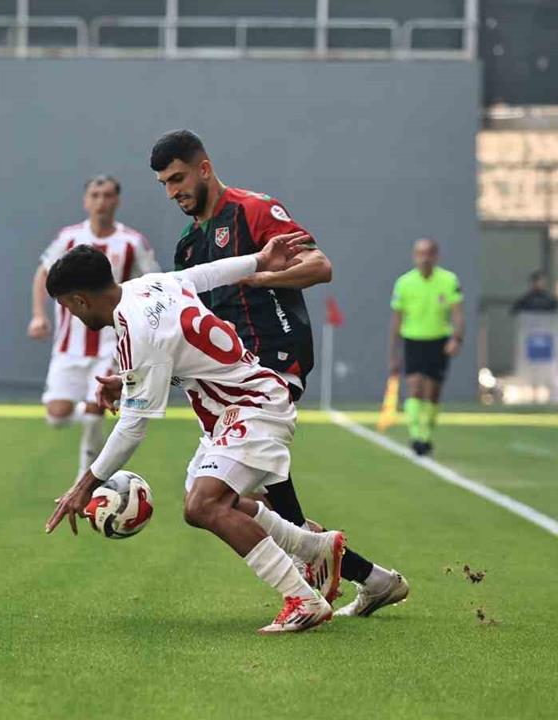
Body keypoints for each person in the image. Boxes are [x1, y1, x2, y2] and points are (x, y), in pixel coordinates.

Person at [44, 241, 406, 633]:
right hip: (234, 411)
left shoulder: (137, 331)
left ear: (79, 300)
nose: (70, 314)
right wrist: (258, 260)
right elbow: (204, 275)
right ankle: (315, 548)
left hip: (252, 407)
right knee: (207, 505)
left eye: (66, 306)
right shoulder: (149, 285)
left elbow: (133, 427)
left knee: (205, 504)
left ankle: (302, 599)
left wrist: (83, 486)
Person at [149, 129, 406, 618]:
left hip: (273, 361)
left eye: (177, 178)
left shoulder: (254, 210)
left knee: (213, 499)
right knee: (238, 500)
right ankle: (372, 578)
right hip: (227, 379)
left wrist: (264, 276)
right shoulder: (187, 246)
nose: (172, 192)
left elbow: (320, 266)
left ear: (204, 168)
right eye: (164, 184)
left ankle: (309, 593)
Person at [27, 175, 158, 480]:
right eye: (95, 195)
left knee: (94, 411)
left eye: (108, 195)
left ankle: (84, 479)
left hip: (111, 343)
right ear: (86, 201)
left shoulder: (132, 242)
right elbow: (43, 273)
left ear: (117, 200)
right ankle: (88, 425)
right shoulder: (69, 238)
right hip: (68, 346)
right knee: (56, 416)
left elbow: (151, 282)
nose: (102, 201)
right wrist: (38, 315)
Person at [387, 238, 465, 457]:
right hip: (413, 340)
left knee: (432, 393)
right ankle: (416, 436)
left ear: (436, 256)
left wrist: (456, 338)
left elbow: (458, 313)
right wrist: (393, 352)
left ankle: (427, 434)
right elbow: (396, 319)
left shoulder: (449, 280)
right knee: (414, 387)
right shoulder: (404, 283)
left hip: (439, 341)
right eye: (420, 254)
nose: (424, 258)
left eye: (429, 253)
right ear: (414, 256)